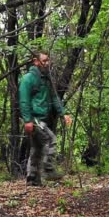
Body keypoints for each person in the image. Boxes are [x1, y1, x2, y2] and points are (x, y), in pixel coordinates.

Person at [19, 51, 72, 186]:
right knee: (50, 139)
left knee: (36, 148)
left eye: (48, 60)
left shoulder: (47, 79)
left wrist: (63, 114)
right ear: (36, 61)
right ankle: (48, 170)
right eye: (45, 60)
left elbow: (54, 97)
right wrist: (28, 120)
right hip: (34, 118)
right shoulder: (28, 79)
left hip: (43, 118)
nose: (48, 63)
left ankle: (32, 180)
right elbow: (24, 101)